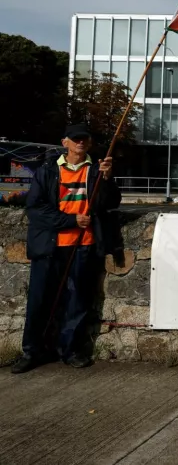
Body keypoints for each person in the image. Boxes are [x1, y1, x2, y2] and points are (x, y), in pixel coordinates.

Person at [11, 125, 121, 374]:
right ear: (65, 143)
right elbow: (35, 208)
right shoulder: (48, 170)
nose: (80, 142)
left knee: (77, 301)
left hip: (84, 245)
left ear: (89, 143)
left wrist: (107, 179)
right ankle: (32, 351)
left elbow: (110, 203)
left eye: (84, 139)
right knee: (39, 300)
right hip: (49, 246)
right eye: (75, 139)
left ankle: (70, 351)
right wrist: (71, 221)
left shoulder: (97, 169)